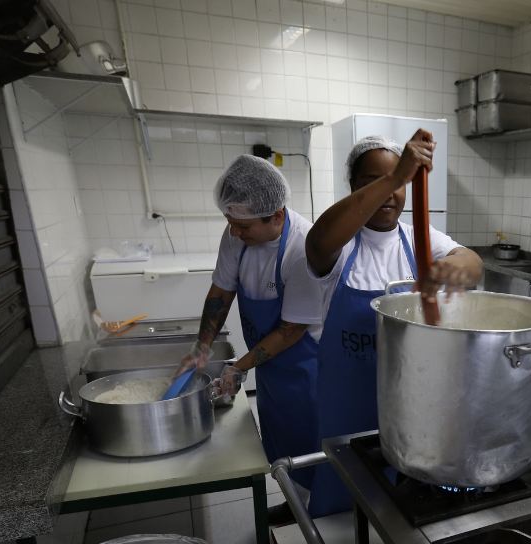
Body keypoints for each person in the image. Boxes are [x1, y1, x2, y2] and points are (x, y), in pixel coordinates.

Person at [303, 130, 484, 516]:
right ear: (354, 188)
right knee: (344, 488)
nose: (390, 194)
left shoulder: (418, 237)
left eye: (400, 185)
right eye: (374, 183)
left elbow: (471, 261)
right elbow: (318, 244)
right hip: (348, 399)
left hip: (410, 395)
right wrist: (397, 175)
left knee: (405, 493)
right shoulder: (343, 242)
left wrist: (458, 266)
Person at [175, 155, 323, 514]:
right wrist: (202, 347)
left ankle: (321, 512)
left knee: (310, 443)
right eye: (231, 224)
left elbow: (290, 330)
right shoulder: (237, 233)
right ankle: (296, 504)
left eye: (243, 227)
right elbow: (221, 292)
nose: (235, 233)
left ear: (276, 215)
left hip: (307, 367)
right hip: (271, 365)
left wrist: (239, 366)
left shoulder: (304, 248)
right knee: (278, 437)